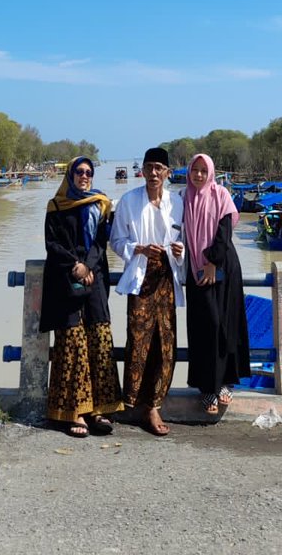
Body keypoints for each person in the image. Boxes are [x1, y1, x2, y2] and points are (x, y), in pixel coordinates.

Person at [39, 157, 123, 438]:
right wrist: (75, 265)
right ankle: (74, 411)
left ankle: (99, 408)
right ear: (70, 175)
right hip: (66, 277)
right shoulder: (56, 205)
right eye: (79, 172)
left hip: (95, 275)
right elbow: (52, 243)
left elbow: (102, 241)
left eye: (89, 172)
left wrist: (88, 264)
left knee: (99, 338)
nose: (84, 176)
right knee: (72, 341)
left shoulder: (100, 204)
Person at [110, 146, 185, 436]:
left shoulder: (176, 203)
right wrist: (138, 248)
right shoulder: (128, 202)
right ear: (142, 169)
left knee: (166, 345)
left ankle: (154, 405)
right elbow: (117, 241)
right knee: (139, 341)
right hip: (141, 279)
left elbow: (184, 243)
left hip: (167, 277)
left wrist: (179, 251)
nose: (153, 173)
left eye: (159, 168)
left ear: (167, 172)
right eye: (149, 167)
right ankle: (133, 401)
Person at [183, 153, 251, 414]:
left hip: (222, 267)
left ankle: (224, 383)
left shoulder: (221, 194)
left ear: (210, 172)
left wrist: (212, 261)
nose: (198, 175)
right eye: (195, 170)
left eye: (203, 170)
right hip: (195, 270)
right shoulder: (184, 198)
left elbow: (224, 232)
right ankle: (206, 388)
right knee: (203, 327)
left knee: (224, 324)